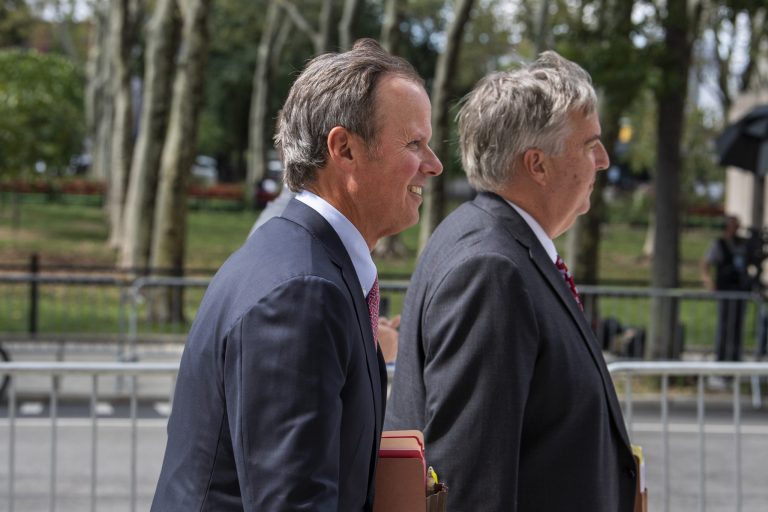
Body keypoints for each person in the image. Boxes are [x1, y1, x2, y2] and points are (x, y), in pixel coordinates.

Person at [151, 38, 442, 511]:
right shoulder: (302, 292)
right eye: (414, 143)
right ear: (344, 149)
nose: (434, 165)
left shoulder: (305, 265)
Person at [385, 51, 637, 511]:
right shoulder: (491, 268)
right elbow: (468, 479)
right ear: (537, 164)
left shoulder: (496, 243)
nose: (602, 161)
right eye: (589, 145)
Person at [248, 188, 402, 363]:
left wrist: (364, 327)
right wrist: (374, 345)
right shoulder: (301, 231)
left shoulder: (290, 219)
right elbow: (293, 346)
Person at [700, 214, 751, 363]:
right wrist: (708, 281)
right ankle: (722, 358)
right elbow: (705, 264)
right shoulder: (719, 244)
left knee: (737, 325)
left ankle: (735, 357)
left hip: (740, 290)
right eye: (733, 225)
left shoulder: (743, 244)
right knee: (725, 325)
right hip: (725, 290)